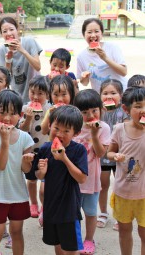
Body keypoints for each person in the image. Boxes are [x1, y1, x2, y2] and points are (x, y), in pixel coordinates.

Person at [0, 90, 35, 255]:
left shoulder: (25, 138)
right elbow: (0, 165)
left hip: (17, 193)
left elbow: (25, 170)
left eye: (12, 113)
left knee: (17, 232)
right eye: (2, 112)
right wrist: (5, 140)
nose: (7, 118)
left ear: (20, 115)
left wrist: (27, 162)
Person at [33, 105, 88, 255]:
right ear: (50, 125)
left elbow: (82, 178)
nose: (60, 134)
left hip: (69, 209)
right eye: (56, 128)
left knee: (70, 249)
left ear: (75, 133)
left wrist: (64, 158)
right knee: (57, 244)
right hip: (51, 207)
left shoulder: (78, 150)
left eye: (66, 131)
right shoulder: (45, 149)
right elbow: (38, 175)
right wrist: (41, 172)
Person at [107, 86, 145, 255]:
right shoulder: (119, 129)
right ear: (126, 109)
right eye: (138, 106)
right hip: (123, 192)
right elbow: (109, 152)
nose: (143, 110)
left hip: (144, 195)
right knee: (124, 231)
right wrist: (115, 156)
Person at [73, 89, 111, 254]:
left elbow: (101, 153)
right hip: (73, 178)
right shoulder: (73, 125)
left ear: (101, 109)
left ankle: (89, 239)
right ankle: (75, 237)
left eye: (94, 110)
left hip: (92, 179)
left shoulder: (103, 127)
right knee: (73, 213)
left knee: (89, 212)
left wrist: (94, 135)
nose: (90, 115)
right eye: (85, 112)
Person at [19, 75, 52, 225]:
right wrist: (28, 118)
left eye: (40, 93)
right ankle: (33, 203)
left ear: (47, 94)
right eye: (33, 92)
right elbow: (23, 130)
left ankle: (45, 207)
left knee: (45, 183)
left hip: (46, 151)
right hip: (30, 151)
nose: (36, 97)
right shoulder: (25, 109)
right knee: (31, 180)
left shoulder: (50, 109)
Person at [98, 79, 128, 231]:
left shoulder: (123, 113)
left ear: (121, 95)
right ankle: (103, 213)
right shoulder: (98, 112)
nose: (109, 96)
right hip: (102, 155)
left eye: (113, 93)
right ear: (100, 95)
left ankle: (119, 215)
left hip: (119, 155)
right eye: (105, 93)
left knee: (119, 186)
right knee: (103, 186)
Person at [0, 17, 42, 104]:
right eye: (4, 31)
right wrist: (8, 61)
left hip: (35, 92)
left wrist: (22, 50)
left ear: (17, 29)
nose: (8, 33)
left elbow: (38, 67)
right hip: (17, 94)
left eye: (11, 29)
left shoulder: (29, 41)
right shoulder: (1, 50)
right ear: (1, 34)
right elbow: (4, 77)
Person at [77, 18, 127, 93]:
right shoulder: (81, 56)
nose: (93, 35)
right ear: (84, 35)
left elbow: (123, 72)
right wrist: (84, 77)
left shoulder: (113, 48)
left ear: (101, 33)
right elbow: (84, 83)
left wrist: (105, 58)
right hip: (101, 97)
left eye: (96, 31)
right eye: (89, 32)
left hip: (121, 94)